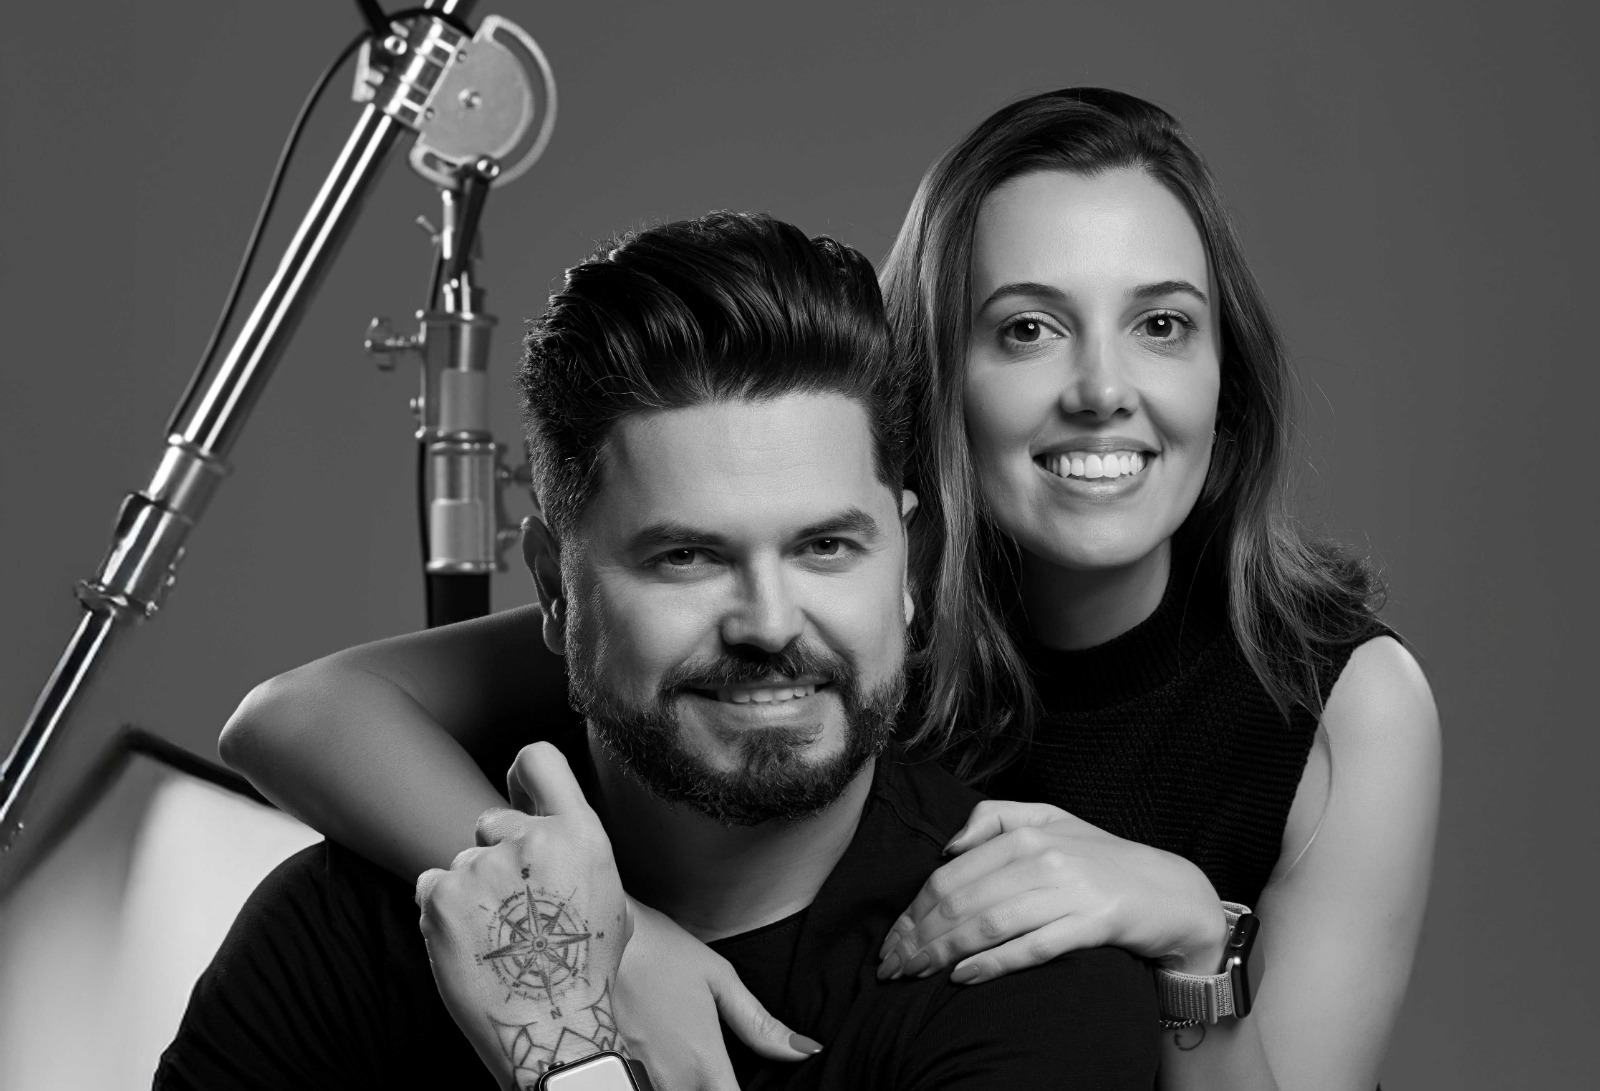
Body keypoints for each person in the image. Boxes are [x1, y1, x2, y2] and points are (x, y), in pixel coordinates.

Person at [220, 89, 1440, 1090]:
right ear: (932, 378)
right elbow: (301, 713)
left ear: (1228, 368)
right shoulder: (807, 622)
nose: (1102, 390)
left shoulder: (1336, 703)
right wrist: (615, 947)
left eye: (1163, 324)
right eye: (1026, 329)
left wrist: (1191, 937)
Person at [157, 211, 1159, 1091]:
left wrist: (565, 1049)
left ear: (905, 560)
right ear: (555, 588)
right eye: (687, 556)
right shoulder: (341, 931)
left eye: (824, 547)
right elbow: (290, 713)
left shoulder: (1028, 979)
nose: (770, 622)